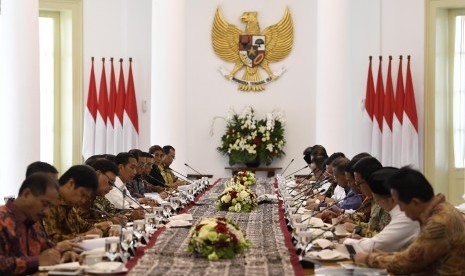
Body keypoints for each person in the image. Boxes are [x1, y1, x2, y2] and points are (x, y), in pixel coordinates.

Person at [354, 167, 465, 274]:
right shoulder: (442, 208)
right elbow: (411, 255)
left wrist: (369, 259)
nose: (401, 210)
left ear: (415, 202)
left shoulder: (438, 223)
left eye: (400, 205)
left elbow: (407, 263)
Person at [0, 173, 79, 275]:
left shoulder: (32, 222)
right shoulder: (2, 220)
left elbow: (48, 246)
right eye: (45, 204)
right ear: (26, 194)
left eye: (50, 207)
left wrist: (65, 253)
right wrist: (38, 261)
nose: (46, 212)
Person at [343, 167, 420, 252]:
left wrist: (345, 242)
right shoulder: (405, 212)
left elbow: (376, 246)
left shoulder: (406, 216)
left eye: (377, 200)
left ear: (392, 198)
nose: (378, 204)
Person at [43, 165, 111, 243]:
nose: (83, 201)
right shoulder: (50, 203)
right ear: (71, 183)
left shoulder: (69, 205)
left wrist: (107, 229)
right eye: (82, 195)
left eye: (86, 197)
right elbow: (51, 240)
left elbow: (85, 226)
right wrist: (84, 236)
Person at [342, 157, 391, 237]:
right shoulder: (373, 199)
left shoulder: (386, 201)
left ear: (370, 180)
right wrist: (354, 224)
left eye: (358, 184)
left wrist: (358, 229)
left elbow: (384, 238)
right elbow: (372, 225)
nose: (358, 187)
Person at [83, 158, 130, 225]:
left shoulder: (99, 196)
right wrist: (110, 221)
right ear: (98, 174)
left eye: (113, 184)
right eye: (110, 182)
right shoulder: (81, 197)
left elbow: (114, 212)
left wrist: (131, 215)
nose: (111, 188)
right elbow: (81, 224)